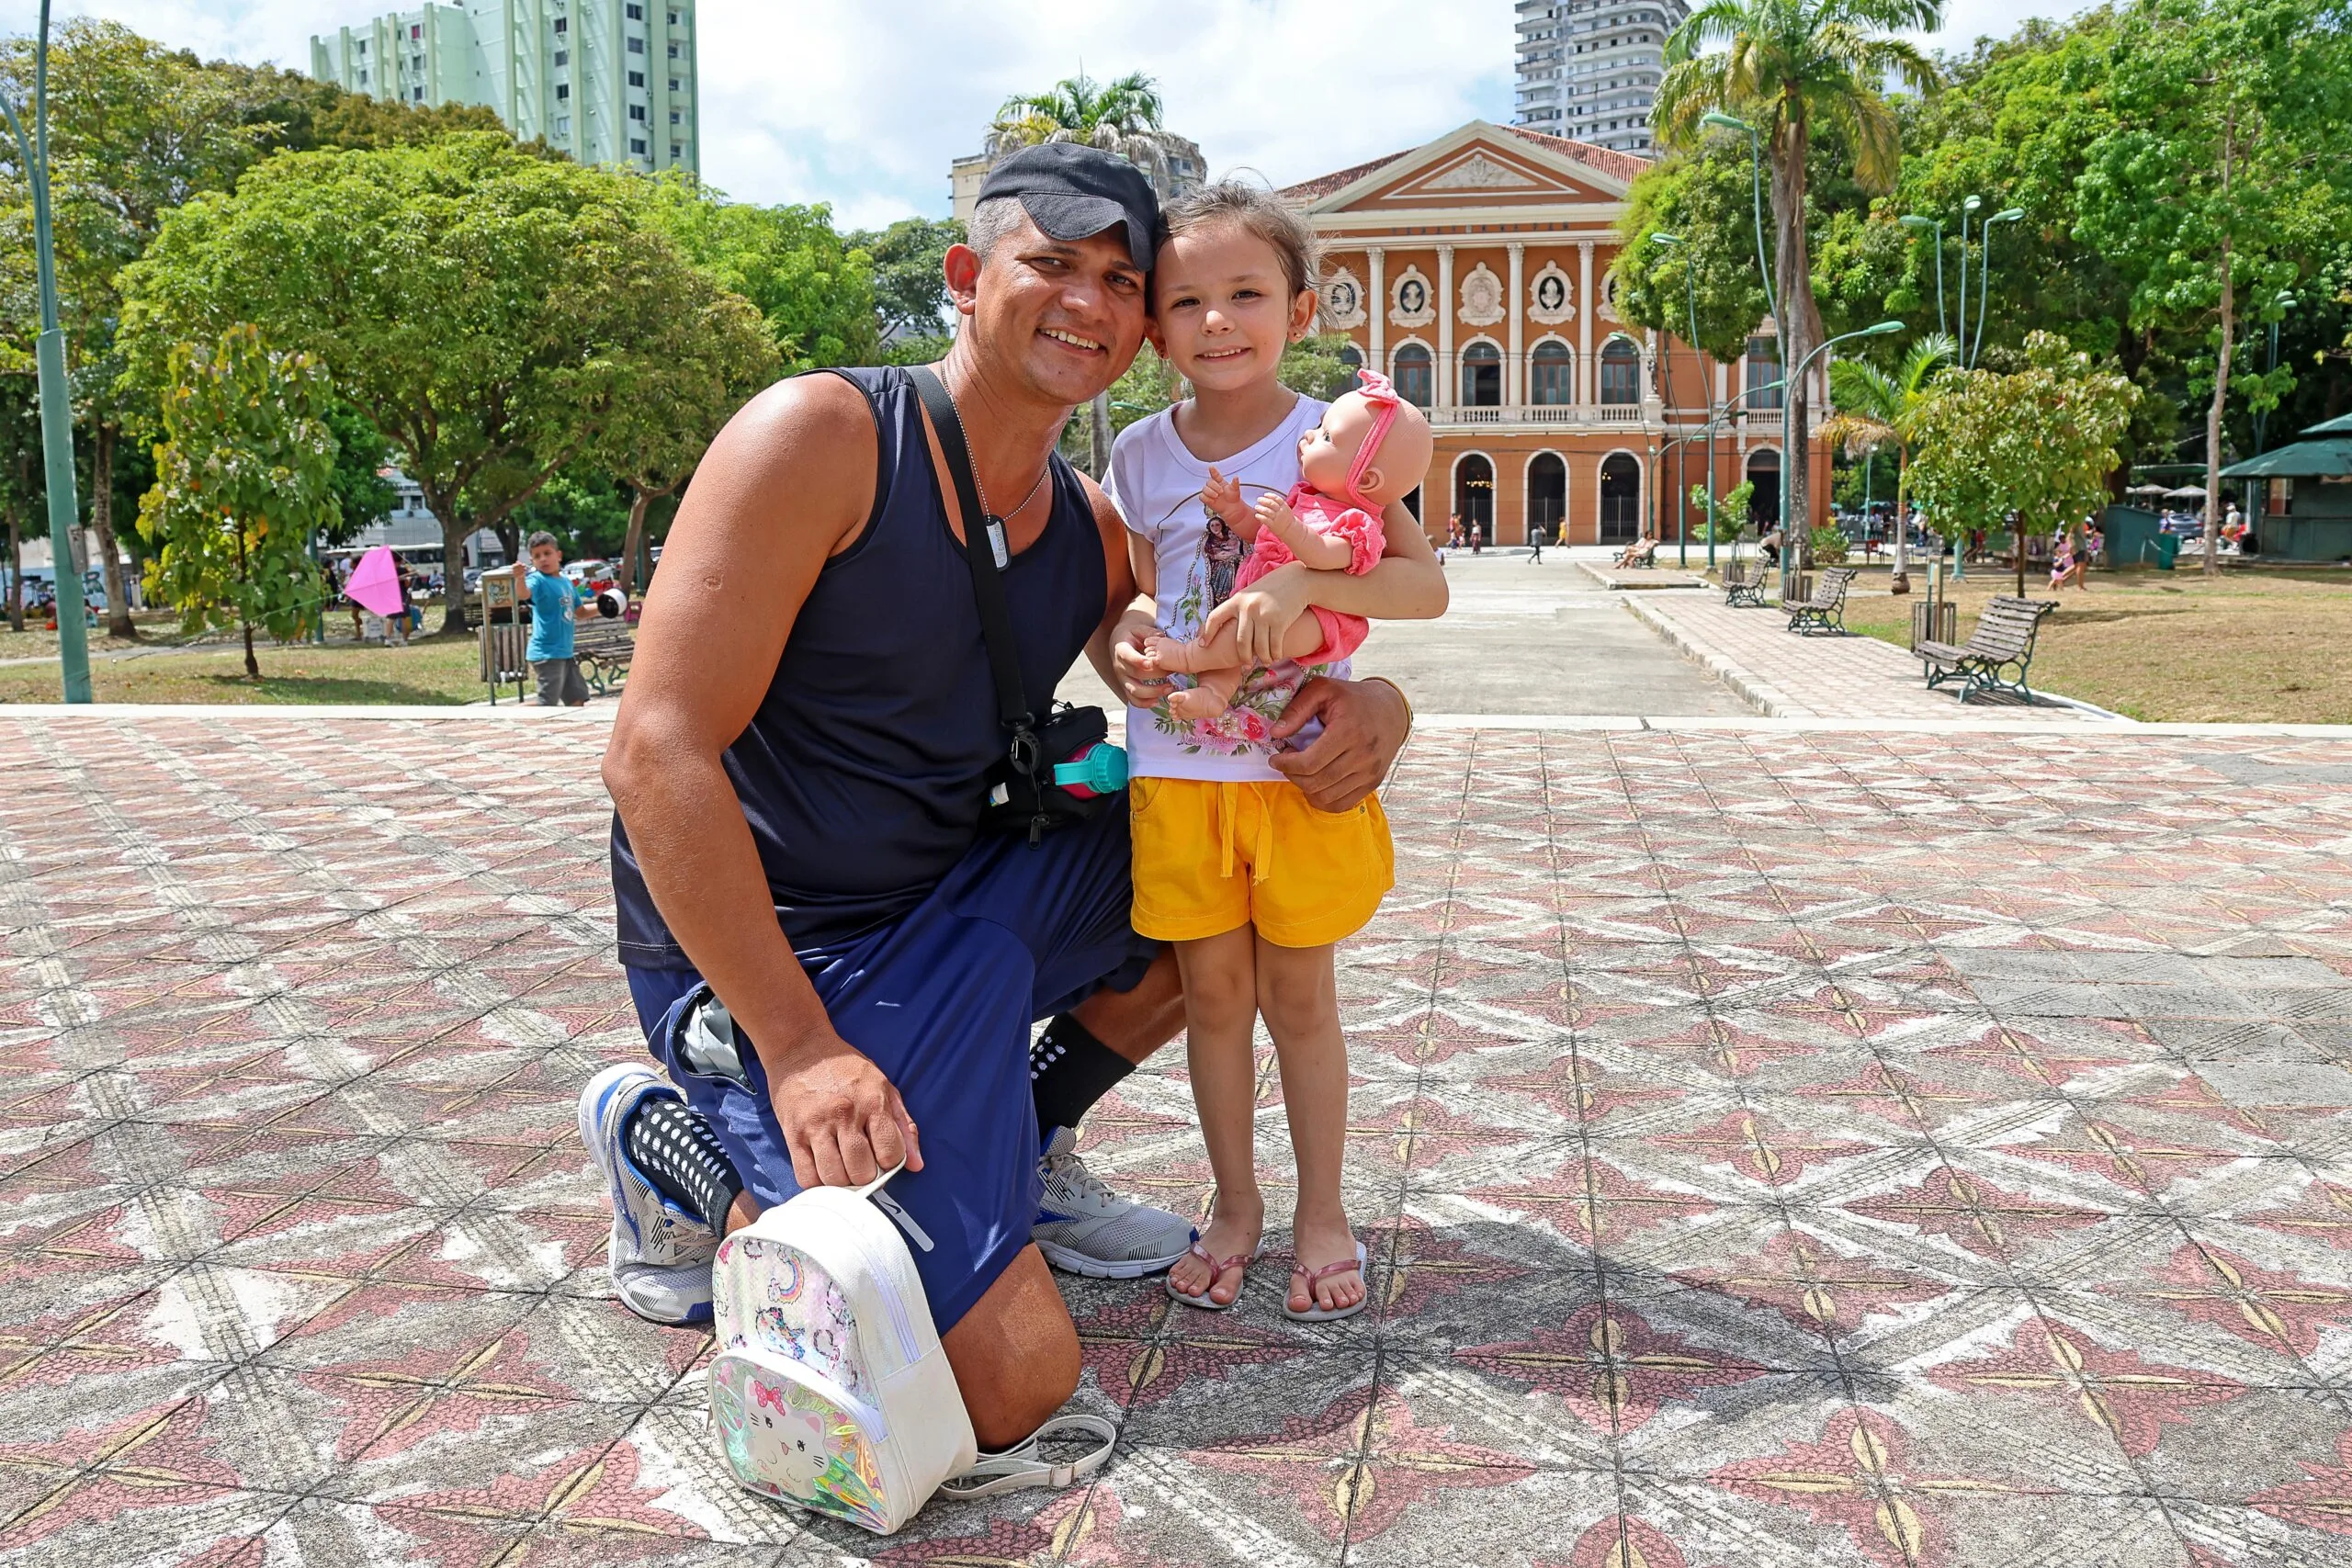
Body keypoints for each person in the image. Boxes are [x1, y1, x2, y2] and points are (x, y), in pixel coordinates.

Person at [582, 144, 1416, 1450]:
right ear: (966, 279)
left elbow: (1204, 687)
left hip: (961, 902)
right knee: (1012, 1381)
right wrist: (802, 1051)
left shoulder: (1087, 522)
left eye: (1120, 279)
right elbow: (655, 753)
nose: (1088, 300)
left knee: (1202, 898)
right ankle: (678, 1139)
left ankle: (1012, 1139)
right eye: (1053, 265)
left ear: (1145, 325)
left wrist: (1380, 709)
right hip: (795, 950)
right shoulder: (828, 437)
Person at [1105, 183, 1444, 1317]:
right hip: (1178, 774)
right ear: (1153, 327)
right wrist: (1138, 638)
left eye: (1245, 293)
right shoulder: (1139, 455)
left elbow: (1421, 584)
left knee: (1300, 1002)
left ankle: (1321, 1212)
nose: (1216, 320)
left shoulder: (1337, 443)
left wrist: (1303, 573)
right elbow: (1138, 602)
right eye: (1186, 299)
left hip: (1296, 773)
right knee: (1211, 1003)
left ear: (1299, 311)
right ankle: (1235, 1205)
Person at [1139, 376, 1432, 719]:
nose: (1308, 435)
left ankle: (1188, 656)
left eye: (1325, 436)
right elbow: (1262, 539)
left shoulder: (1359, 525)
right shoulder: (1305, 499)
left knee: (1238, 639)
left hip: (1319, 619)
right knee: (1236, 641)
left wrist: (1290, 528)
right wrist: (1235, 512)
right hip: (1262, 600)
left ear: (1365, 479)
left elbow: (1324, 556)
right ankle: (1213, 694)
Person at [501, 531, 594, 705]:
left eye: (547, 553)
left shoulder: (566, 583)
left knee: (577, 699)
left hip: (565, 653)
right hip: (547, 654)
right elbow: (523, 593)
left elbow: (580, 612)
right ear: (531, 561)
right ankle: (515, 715)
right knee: (547, 705)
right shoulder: (538, 580)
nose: (543, 559)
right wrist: (520, 578)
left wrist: (606, 607)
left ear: (558, 555)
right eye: (537, 556)